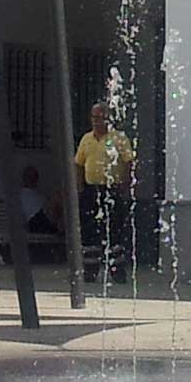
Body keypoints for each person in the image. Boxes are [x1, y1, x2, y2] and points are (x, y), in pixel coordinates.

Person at [74, 100, 137, 282]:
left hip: (112, 189)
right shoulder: (86, 139)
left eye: (100, 117)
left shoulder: (119, 138)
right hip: (90, 190)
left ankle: (117, 271)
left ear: (108, 118)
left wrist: (126, 185)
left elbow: (129, 162)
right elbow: (78, 164)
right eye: (94, 117)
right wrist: (79, 186)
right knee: (89, 230)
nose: (96, 121)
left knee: (114, 229)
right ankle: (90, 270)